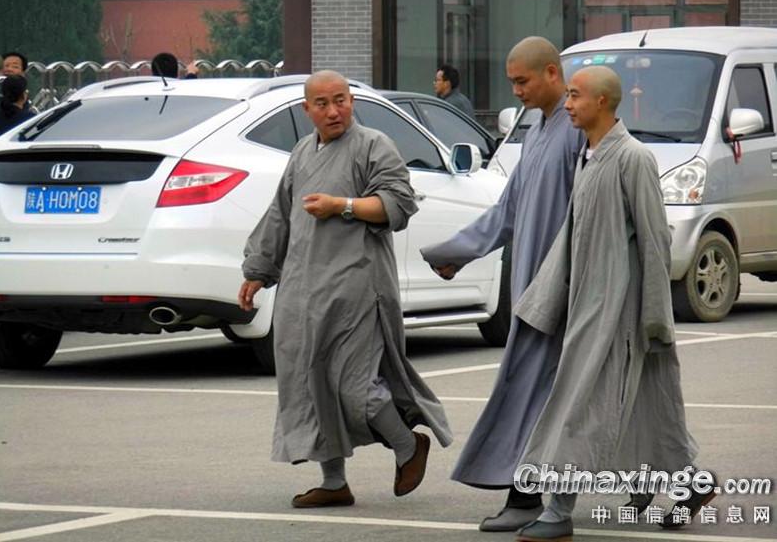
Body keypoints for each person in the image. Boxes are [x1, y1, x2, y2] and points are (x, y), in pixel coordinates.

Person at [238, 70, 452, 508]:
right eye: (323, 104)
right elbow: (280, 215)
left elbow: (398, 204)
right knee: (312, 384)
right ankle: (334, 482)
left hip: (358, 286)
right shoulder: (302, 153)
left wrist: (344, 206)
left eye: (341, 100)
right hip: (304, 289)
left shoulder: (373, 146)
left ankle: (408, 445)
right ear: (307, 109)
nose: (334, 111)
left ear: (352, 101)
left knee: (355, 387)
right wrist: (258, 270)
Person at [511, 65, 703, 542]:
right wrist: (550, 298)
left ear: (601, 101)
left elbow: (655, 240)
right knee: (648, 406)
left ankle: (558, 508)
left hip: (618, 310)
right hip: (587, 303)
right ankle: (686, 485)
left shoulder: (633, 158)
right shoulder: (588, 156)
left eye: (575, 95)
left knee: (581, 403)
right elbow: (573, 236)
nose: (568, 104)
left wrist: (654, 316)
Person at [421, 37, 585, 532]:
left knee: (543, 390)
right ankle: (681, 481)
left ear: (552, 73)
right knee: (568, 392)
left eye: (522, 81)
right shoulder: (536, 132)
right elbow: (508, 211)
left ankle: (527, 494)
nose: (515, 91)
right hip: (533, 288)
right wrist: (455, 252)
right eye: (511, 82)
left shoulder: (580, 132)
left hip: (566, 289)